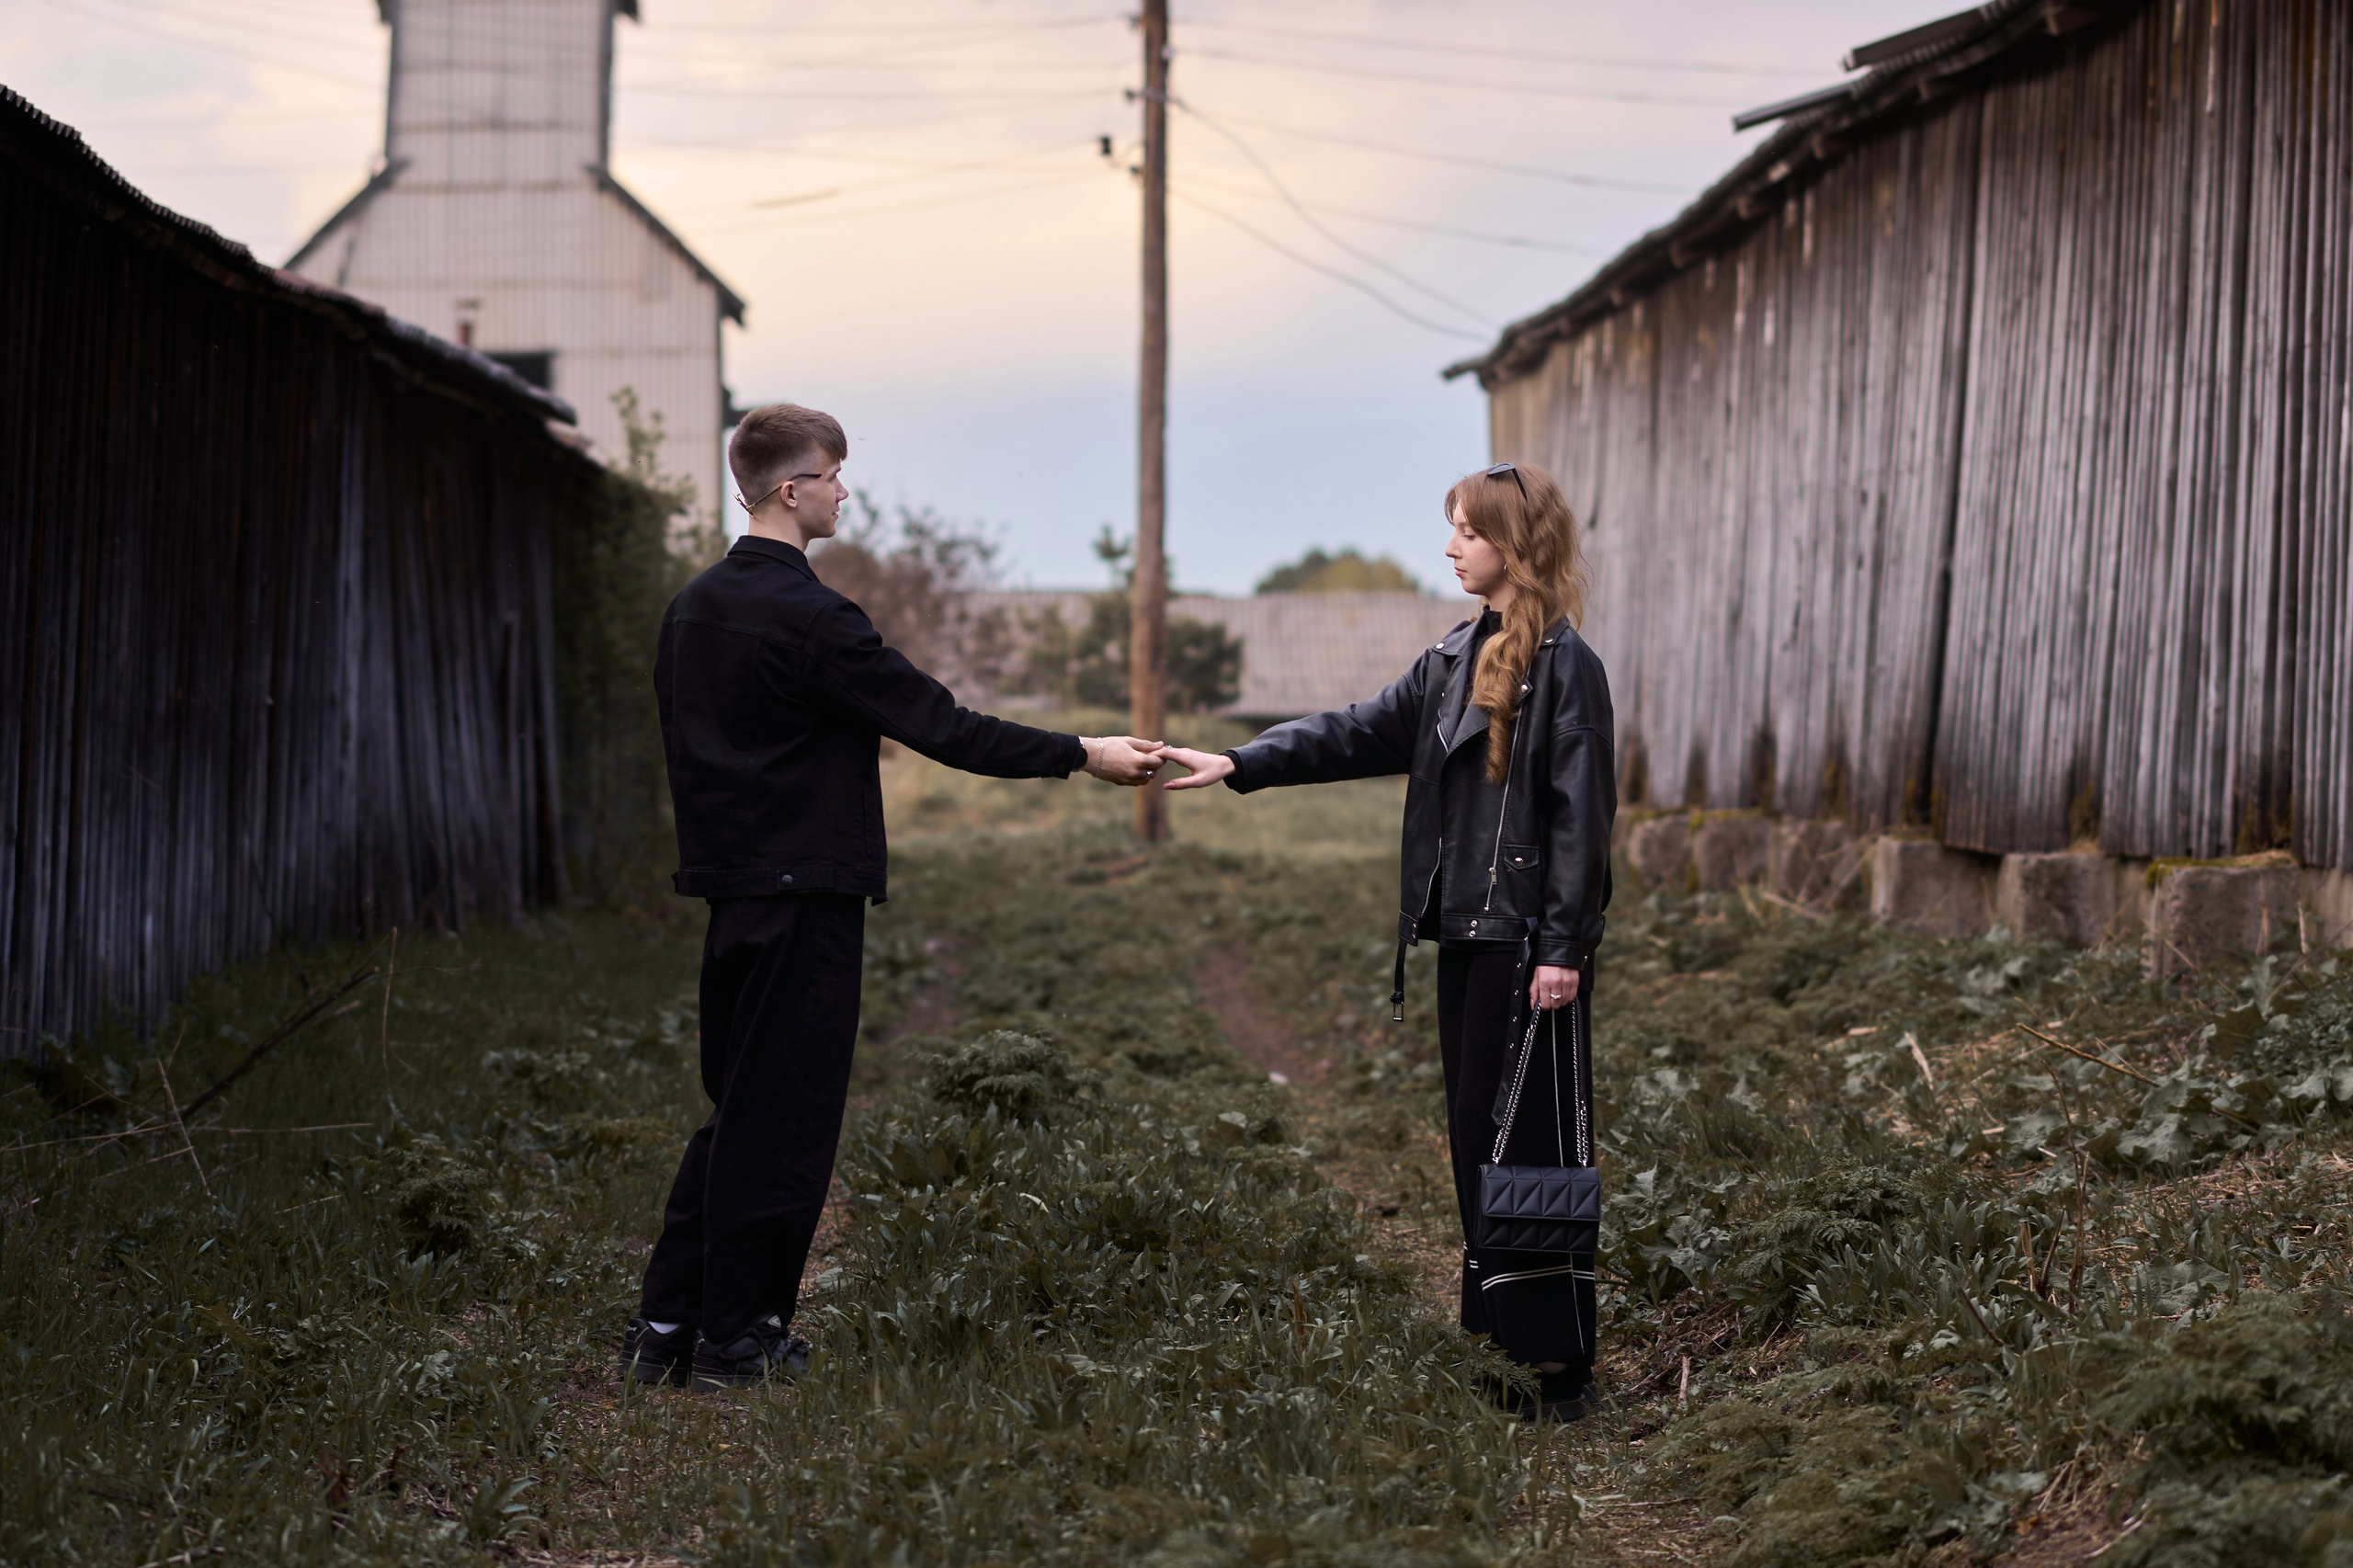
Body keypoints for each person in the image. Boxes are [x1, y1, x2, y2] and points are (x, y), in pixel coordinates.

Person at [622, 403, 1163, 1391]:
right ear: (792, 490)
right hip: (806, 894)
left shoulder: (693, 606)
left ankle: (666, 1326)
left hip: (731, 892)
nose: (843, 489)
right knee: (782, 1120)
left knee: (736, 1106)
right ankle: (739, 1340)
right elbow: (943, 726)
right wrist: (1084, 753)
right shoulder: (815, 617)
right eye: (833, 474)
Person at [1154, 460, 1613, 1421]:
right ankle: (1498, 1354)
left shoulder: (1567, 667)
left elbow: (1578, 820)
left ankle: (1553, 1371)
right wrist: (1240, 758)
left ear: (1514, 545)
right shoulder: (1453, 658)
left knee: (1527, 1151)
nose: (1450, 547)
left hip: (1526, 948)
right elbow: (1355, 731)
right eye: (1451, 528)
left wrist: (1564, 947)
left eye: (1469, 532)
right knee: (1475, 1145)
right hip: (1464, 936)